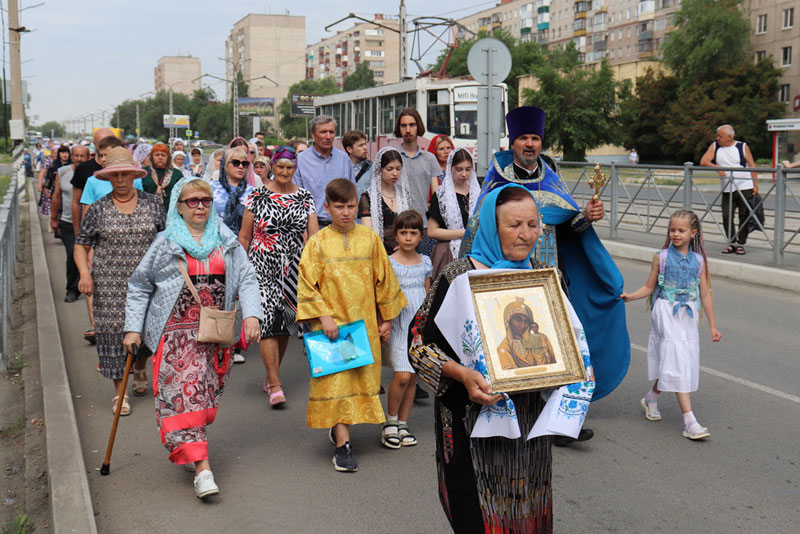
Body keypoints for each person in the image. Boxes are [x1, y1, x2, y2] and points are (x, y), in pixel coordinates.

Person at [409, 184, 594, 533]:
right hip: (469, 420)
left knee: (529, 510)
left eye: (532, 224)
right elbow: (418, 344)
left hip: (530, 426)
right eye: (514, 225)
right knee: (477, 514)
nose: (526, 234)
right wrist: (462, 374)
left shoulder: (544, 276)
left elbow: (566, 341)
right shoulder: (458, 276)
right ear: (493, 228)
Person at [460, 106, 629, 438]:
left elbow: (570, 225)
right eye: (523, 137)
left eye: (535, 138)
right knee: (510, 345)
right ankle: (510, 415)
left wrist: (586, 216)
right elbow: (478, 231)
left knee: (556, 347)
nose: (530, 144)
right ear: (513, 142)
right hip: (506, 278)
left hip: (549, 275)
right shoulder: (497, 179)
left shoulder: (551, 176)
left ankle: (562, 421)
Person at [124, 176, 261, 499]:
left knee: (204, 396)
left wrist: (252, 315)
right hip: (174, 337)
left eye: (205, 201)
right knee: (188, 395)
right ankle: (203, 469)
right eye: (192, 201)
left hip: (214, 335)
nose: (200, 207)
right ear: (179, 206)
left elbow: (248, 278)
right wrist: (133, 327)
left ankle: (190, 446)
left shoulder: (224, 239)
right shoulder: (165, 243)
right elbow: (140, 284)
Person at [296, 178, 406, 472]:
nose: (346, 212)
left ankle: (341, 429)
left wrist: (388, 318)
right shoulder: (317, 243)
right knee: (336, 382)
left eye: (351, 206)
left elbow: (384, 279)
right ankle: (343, 443)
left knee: (358, 378)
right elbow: (307, 285)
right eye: (339, 206)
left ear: (358, 205)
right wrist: (323, 316)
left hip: (364, 325)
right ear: (327, 207)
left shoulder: (369, 239)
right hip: (331, 326)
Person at [74, 147, 166, 415]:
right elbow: (81, 244)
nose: (121, 179)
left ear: (134, 175)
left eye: (126, 173)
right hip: (109, 285)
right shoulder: (99, 209)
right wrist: (84, 274)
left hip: (148, 282)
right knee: (113, 337)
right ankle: (120, 393)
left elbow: (166, 241)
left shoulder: (152, 204)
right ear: (109, 178)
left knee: (148, 334)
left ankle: (138, 368)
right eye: (116, 175)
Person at [621, 209, 722, 440]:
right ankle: (690, 421)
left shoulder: (699, 261)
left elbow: (705, 294)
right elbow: (649, 287)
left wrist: (712, 326)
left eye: (681, 230)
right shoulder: (661, 257)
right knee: (676, 359)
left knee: (678, 360)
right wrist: (631, 296)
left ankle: (652, 397)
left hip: (687, 315)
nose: (675, 234)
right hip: (666, 311)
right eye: (672, 230)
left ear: (693, 233)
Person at [238, 146, 318, 406]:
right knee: (268, 324)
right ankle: (274, 384)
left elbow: (314, 238)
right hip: (262, 265)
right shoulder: (258, 195)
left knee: (284, 326)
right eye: (281, 166)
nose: (285, 171)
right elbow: (245, 235)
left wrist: (316, 269)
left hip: (294, 267)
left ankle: (272, 375)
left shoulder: (305, 197)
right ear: (273, 166)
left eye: (290, 167)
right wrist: (242, 268)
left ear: (295, 169)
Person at [383, 210, 431, 449]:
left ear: (421, 236)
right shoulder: (390, 263)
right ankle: (390, 422)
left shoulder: (425, 262)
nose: (409, 238)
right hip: (399, 322)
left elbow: (427, 292)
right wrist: (385, 320)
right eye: (403, 232)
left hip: (418, 326)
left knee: (413, 377)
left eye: (413, 233)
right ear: (396, 235)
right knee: (402, 375)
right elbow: (384, 294)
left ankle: (403, 422)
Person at [699, 124, 758, 255]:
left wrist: (755, 184)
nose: (717, 138)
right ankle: (732, 242)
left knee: (745, 216)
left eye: (720, 136)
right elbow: (704, 161)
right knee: (726, 215)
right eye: (717, 135)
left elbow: (752, 165)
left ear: (730, 136)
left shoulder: (742, 146)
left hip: (744, 186)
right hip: (727, 188)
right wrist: (717, 168)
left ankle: (741, 243)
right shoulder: (715, 146)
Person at [427, 147, 480, 280]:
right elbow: (432, 231)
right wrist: (464, 233)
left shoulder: (477, 194)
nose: (464, 174)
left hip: (475, 252)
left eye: (468, 169)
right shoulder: (441, 196)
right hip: (447, 253)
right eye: (459, 169)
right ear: (450, 168)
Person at [293, 115, 354, 227]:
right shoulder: (300, 161)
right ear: (313, 134)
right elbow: (296, 199)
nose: (328, 136)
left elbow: (352, 194)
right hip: (311, 226)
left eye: (331, 132)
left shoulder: (344, 159)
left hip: (340, 226)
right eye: (323, 132)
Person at [50, 144, 90, 302]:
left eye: (83, 156)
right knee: (72, 253)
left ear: (88, 157)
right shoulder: (63, 172)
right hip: (67, 221)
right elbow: (56, 196)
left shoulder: (93, 174)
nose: (79, 159)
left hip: (89, 223)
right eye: (77, 156)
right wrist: (53, 218)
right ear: (72, 157)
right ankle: (72, 290)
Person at [359, 147, 414, 254]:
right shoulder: (368, 197)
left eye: (398, 169)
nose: (395, 173)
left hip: (405, 251)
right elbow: (368, 233)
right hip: (379, 252)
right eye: (389, 169)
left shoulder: (404, 195)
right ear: (380, 169)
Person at [395, 108, 441, 231]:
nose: (408, 130)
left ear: (418, 126)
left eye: (412, 125)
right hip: (396, 225)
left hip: (422, 225)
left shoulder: (429, 159)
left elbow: (436, 194)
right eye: (403, 126)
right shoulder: (392, 156)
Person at [496, 298, 556, 369]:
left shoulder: (542, 338)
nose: (523, 326)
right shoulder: (503, 349)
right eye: (518, 320)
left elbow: (552, 366)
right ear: (508, 321)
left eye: (526, 321)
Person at [142, 142, 183, 211]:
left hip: (171, 212)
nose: (160, 157)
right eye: (157, 155)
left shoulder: (176, 174)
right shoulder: (144, 172)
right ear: (152, 157)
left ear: (168, 158)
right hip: (148, 212)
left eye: (163, 155)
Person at [343, 130, 372, 197]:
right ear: (349, 149)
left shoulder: (372, 169)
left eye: (365, 144)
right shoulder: (341, 169)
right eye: (361, 145)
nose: (365, 148)